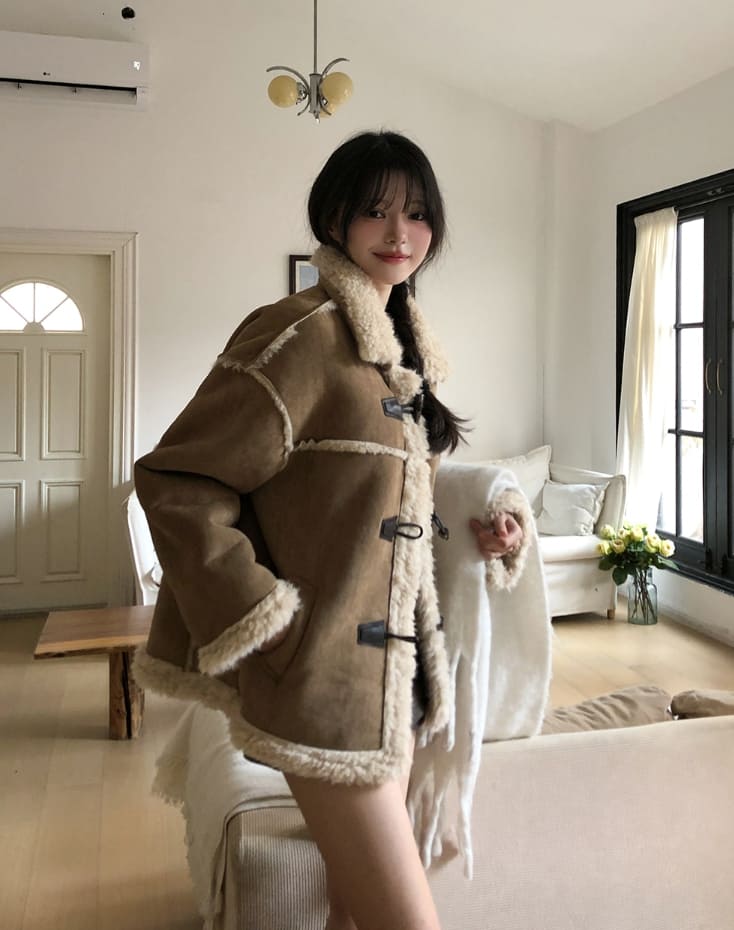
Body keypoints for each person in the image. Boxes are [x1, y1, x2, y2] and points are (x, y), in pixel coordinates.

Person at [133, 131, 523, 930]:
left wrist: (483, 530)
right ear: (334, 218)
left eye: (418, 214)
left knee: (350, 916)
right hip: (324, 687)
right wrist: (268, 621)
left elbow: (389, 498)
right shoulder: (297, 333)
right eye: (376, 211)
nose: (400, 233)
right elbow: (176, 479)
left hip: (400, 684)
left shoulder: (404, 347)